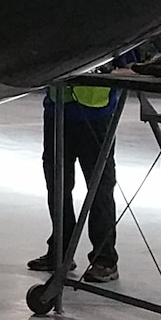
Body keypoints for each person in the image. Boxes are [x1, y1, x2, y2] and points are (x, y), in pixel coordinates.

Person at [31, 62, 123, 283]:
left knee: (99, 189)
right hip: (58, 109)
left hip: (96, 115)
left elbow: (129, 67)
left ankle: (105, 259)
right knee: (57, 186)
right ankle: (60, 251)